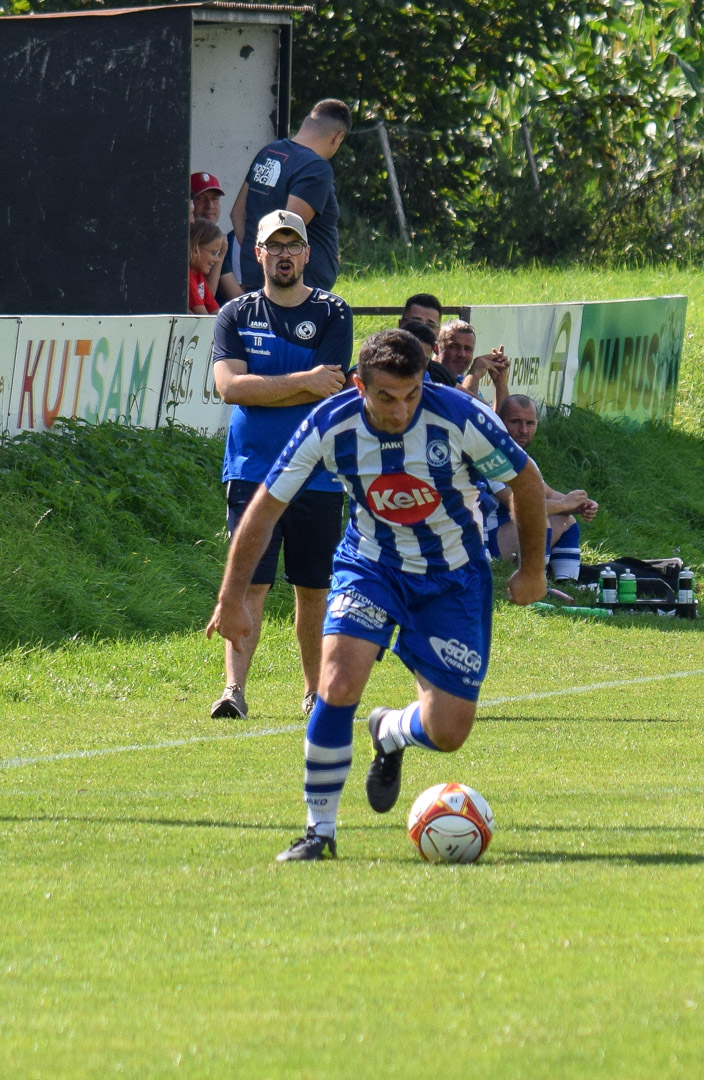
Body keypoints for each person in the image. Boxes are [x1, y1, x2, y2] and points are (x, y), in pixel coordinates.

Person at [204, 329, 550, 862]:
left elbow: (526, 480)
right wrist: (231, 597)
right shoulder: (329, 423)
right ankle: (319, 831)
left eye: (411, 395)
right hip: (371, 566)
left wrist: (532, 570)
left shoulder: (459, 416)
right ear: (359, 385)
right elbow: (266, 506)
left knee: (448, 731)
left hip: (454, 577)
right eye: (386, 397)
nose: (400, 410)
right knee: (337, 682)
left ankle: (389, 730)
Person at [208, 210, 353, 721]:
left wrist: (273, 387)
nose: (284, 254)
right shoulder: (236, 313)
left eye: (293, 245)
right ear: (259, 254)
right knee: (251, 584)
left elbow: (330, 387)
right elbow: (230, 388)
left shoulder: (333, 311)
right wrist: (302, 381)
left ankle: (314, 693)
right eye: (275, 245)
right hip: (252, 469)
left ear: (307, 254)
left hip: (318, 471)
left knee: (312, 588)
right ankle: (233, 692)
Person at [232, 99, 351, 293]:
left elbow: (237, 213)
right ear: (338, 137)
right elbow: (288, 229)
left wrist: (259, 258)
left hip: (257, 279)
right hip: (295, 293)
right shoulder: (316, 167)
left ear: (306, 122)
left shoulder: (268, 153)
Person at [488, 394, 597, 581]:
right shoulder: (492, 459)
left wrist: (581, 504)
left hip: (510, 536)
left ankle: (568, 583)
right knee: (538, 520)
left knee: (566, 520)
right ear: (500, 422)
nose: (523, 430)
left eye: (530, 423)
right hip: (488, 544)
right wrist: (565, 504)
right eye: (515, 422)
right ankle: (535, 582)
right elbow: (522, 506)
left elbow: (549, 494)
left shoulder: (525, 461)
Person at [191, 171, 243, 304]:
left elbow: (236, 296)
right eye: (200, 199)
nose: (209, 206)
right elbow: (204, 301)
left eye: (214, 199)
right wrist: (220, 256)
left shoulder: (217, 239)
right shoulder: (186, 239)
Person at [434, 320, 510, 402]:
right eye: (454, 346)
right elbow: (462, 408)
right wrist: (474, 375)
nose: (462, 354)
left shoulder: (461, 380)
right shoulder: (429, 381)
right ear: (436, 348)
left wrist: (500, 383)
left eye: (468, 349)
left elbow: (486, 411)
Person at [187, 221, 225, 315]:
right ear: (195, 250)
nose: (217, 259)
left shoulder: (198, 276)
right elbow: (204, 317)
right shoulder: (188, 276)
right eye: (214, 253)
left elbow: (216, 312)